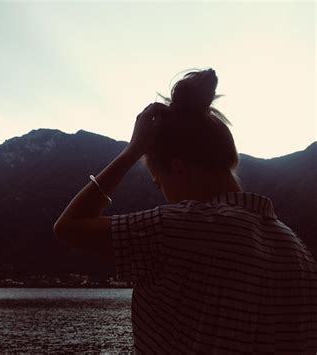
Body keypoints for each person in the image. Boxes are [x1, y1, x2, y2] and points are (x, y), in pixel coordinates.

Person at [53, 68, 317, 354]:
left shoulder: (183, 228)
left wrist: (133, 150)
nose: (164, 195)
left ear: (179, 170)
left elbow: (69, 226)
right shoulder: (296, 250)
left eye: (159, 184)